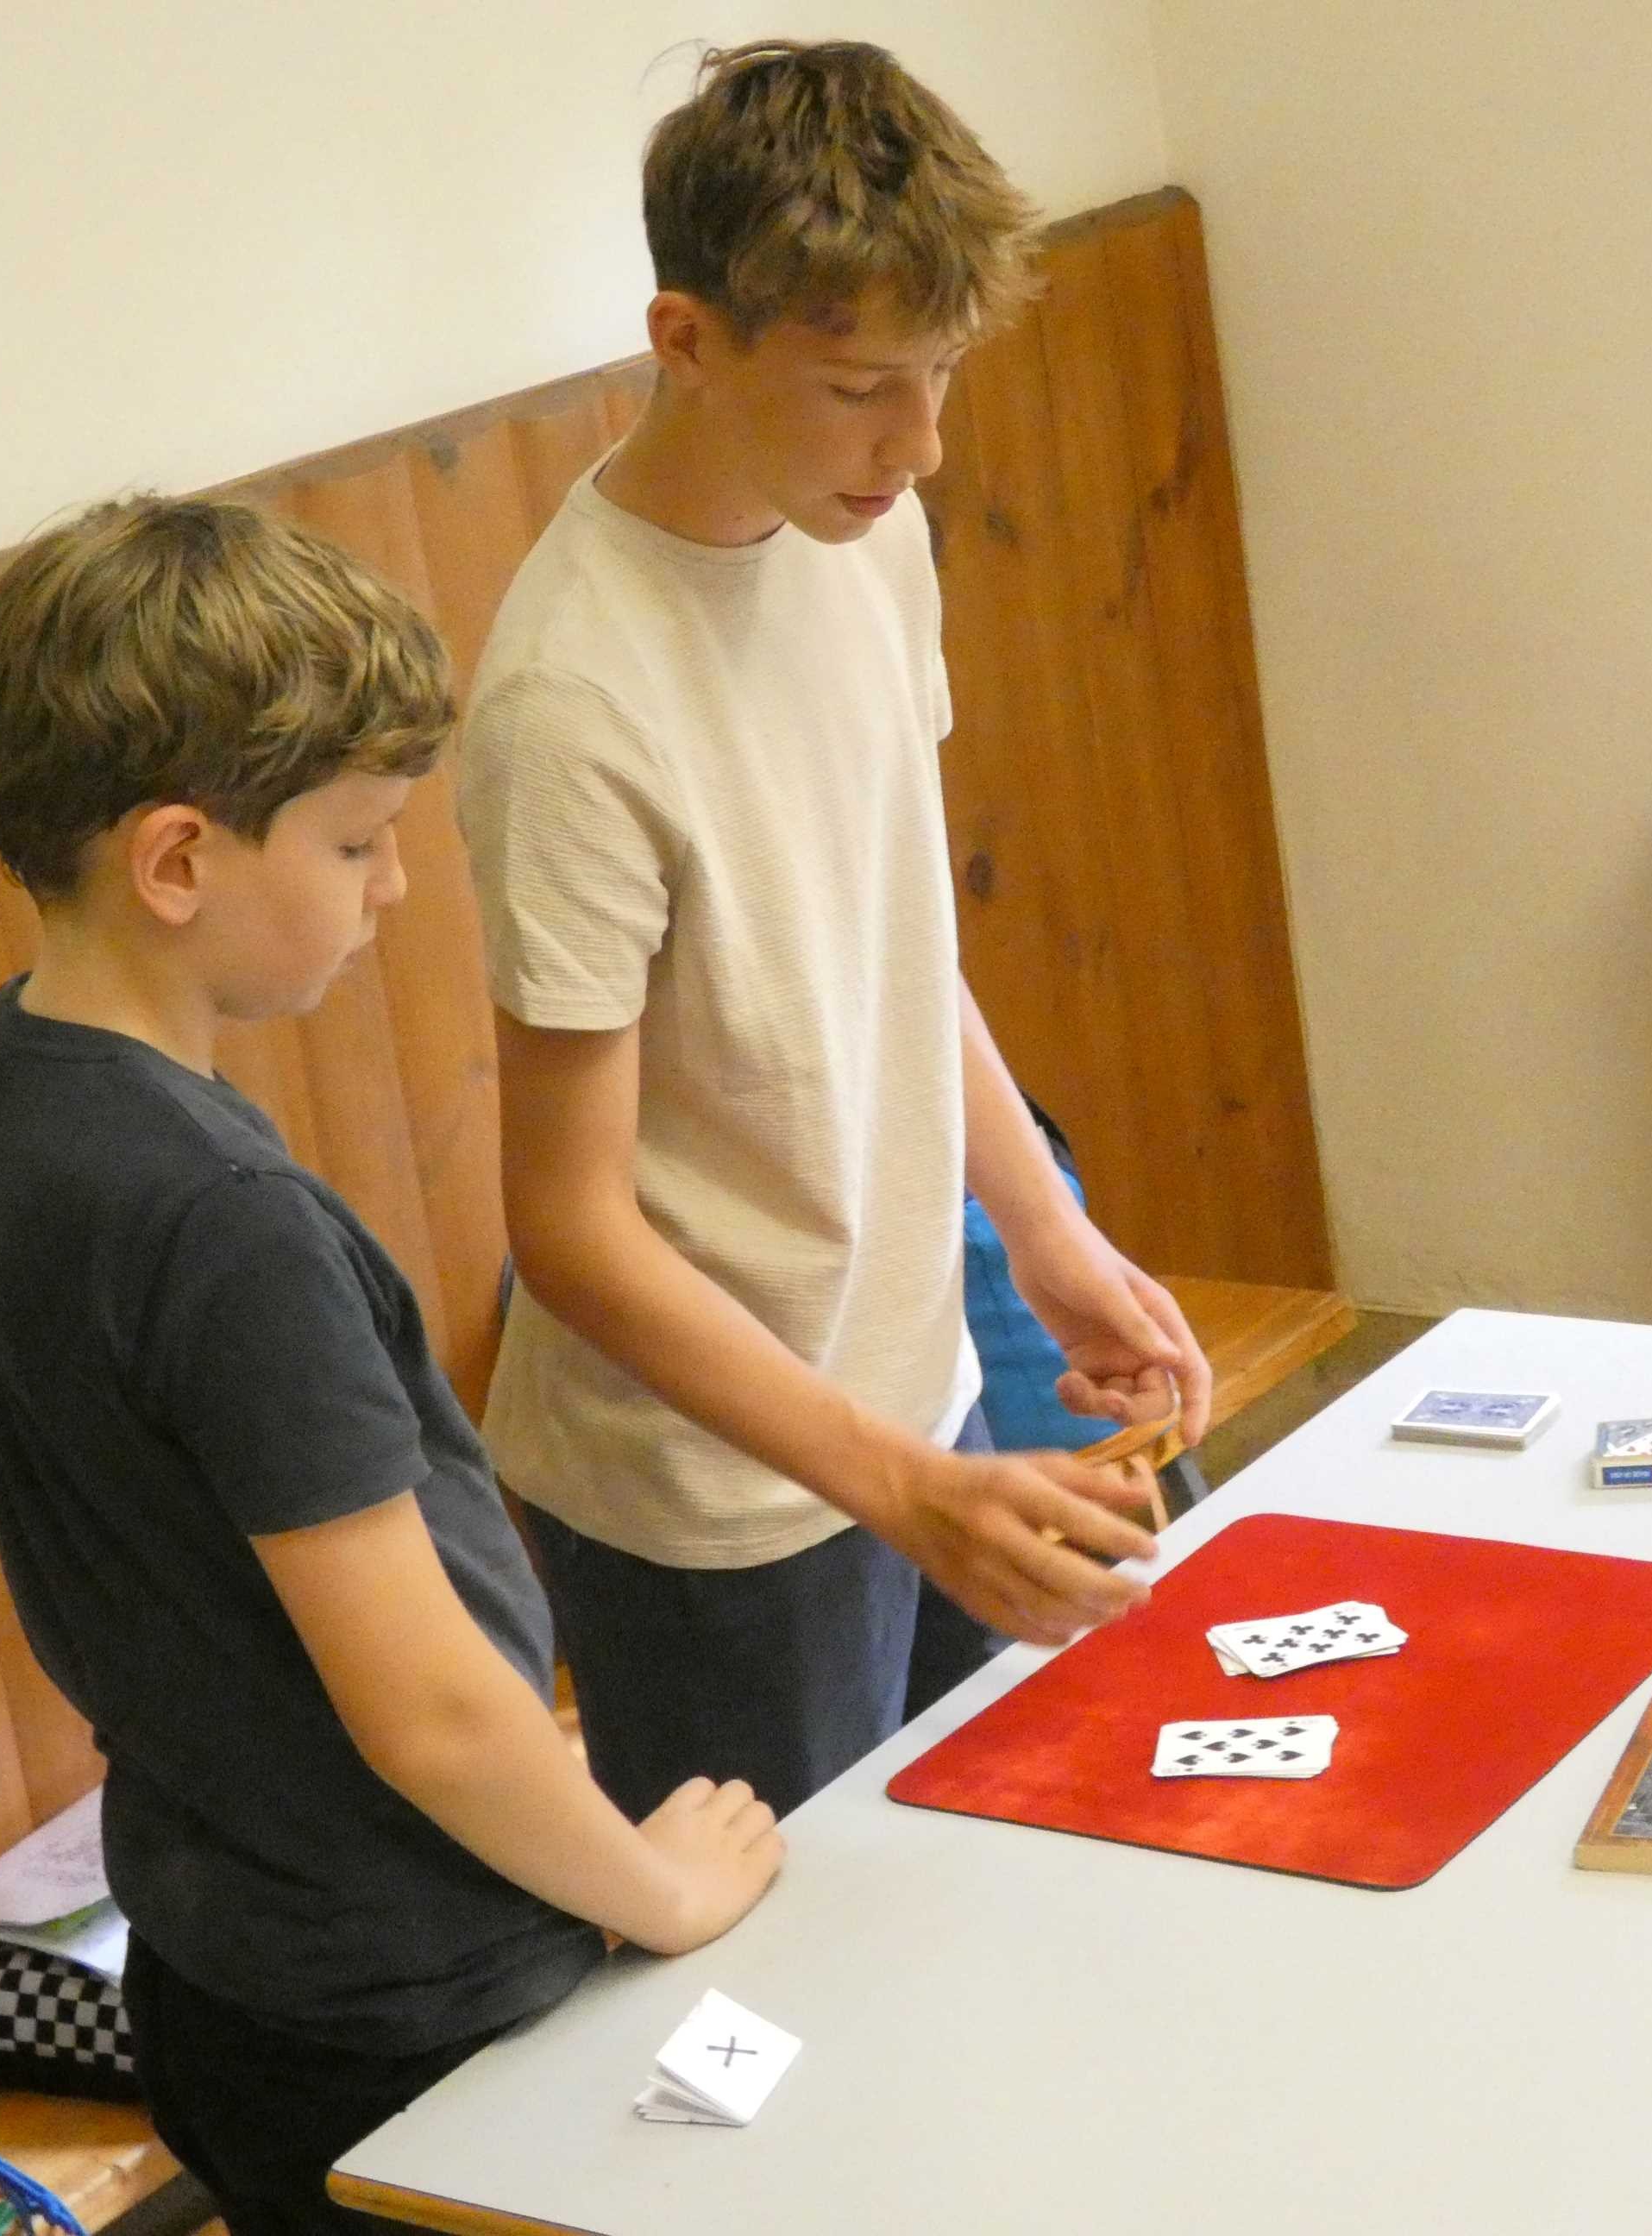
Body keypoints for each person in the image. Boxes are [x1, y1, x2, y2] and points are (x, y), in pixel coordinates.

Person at [0, 495, 781, 2235]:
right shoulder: (222, 1222)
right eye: (356, 843)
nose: (393, 886)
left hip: (222, 1962)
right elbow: (433, 1715)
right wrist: (655, 1890)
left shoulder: (2, 1085)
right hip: (409, 2000)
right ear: (176, 861)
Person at [456, 39, 1213, 1826]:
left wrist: (1046, 1233)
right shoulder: (572, 702)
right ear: (686, 339)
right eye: (864, 386)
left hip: (913, 1396)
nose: (921, 443)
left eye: (942, 374)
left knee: (987, 1863)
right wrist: (895, 1483)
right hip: (716, 1498)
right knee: (796, 1968)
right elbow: (567, 1230)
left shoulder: (869, 536)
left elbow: (891, 943)